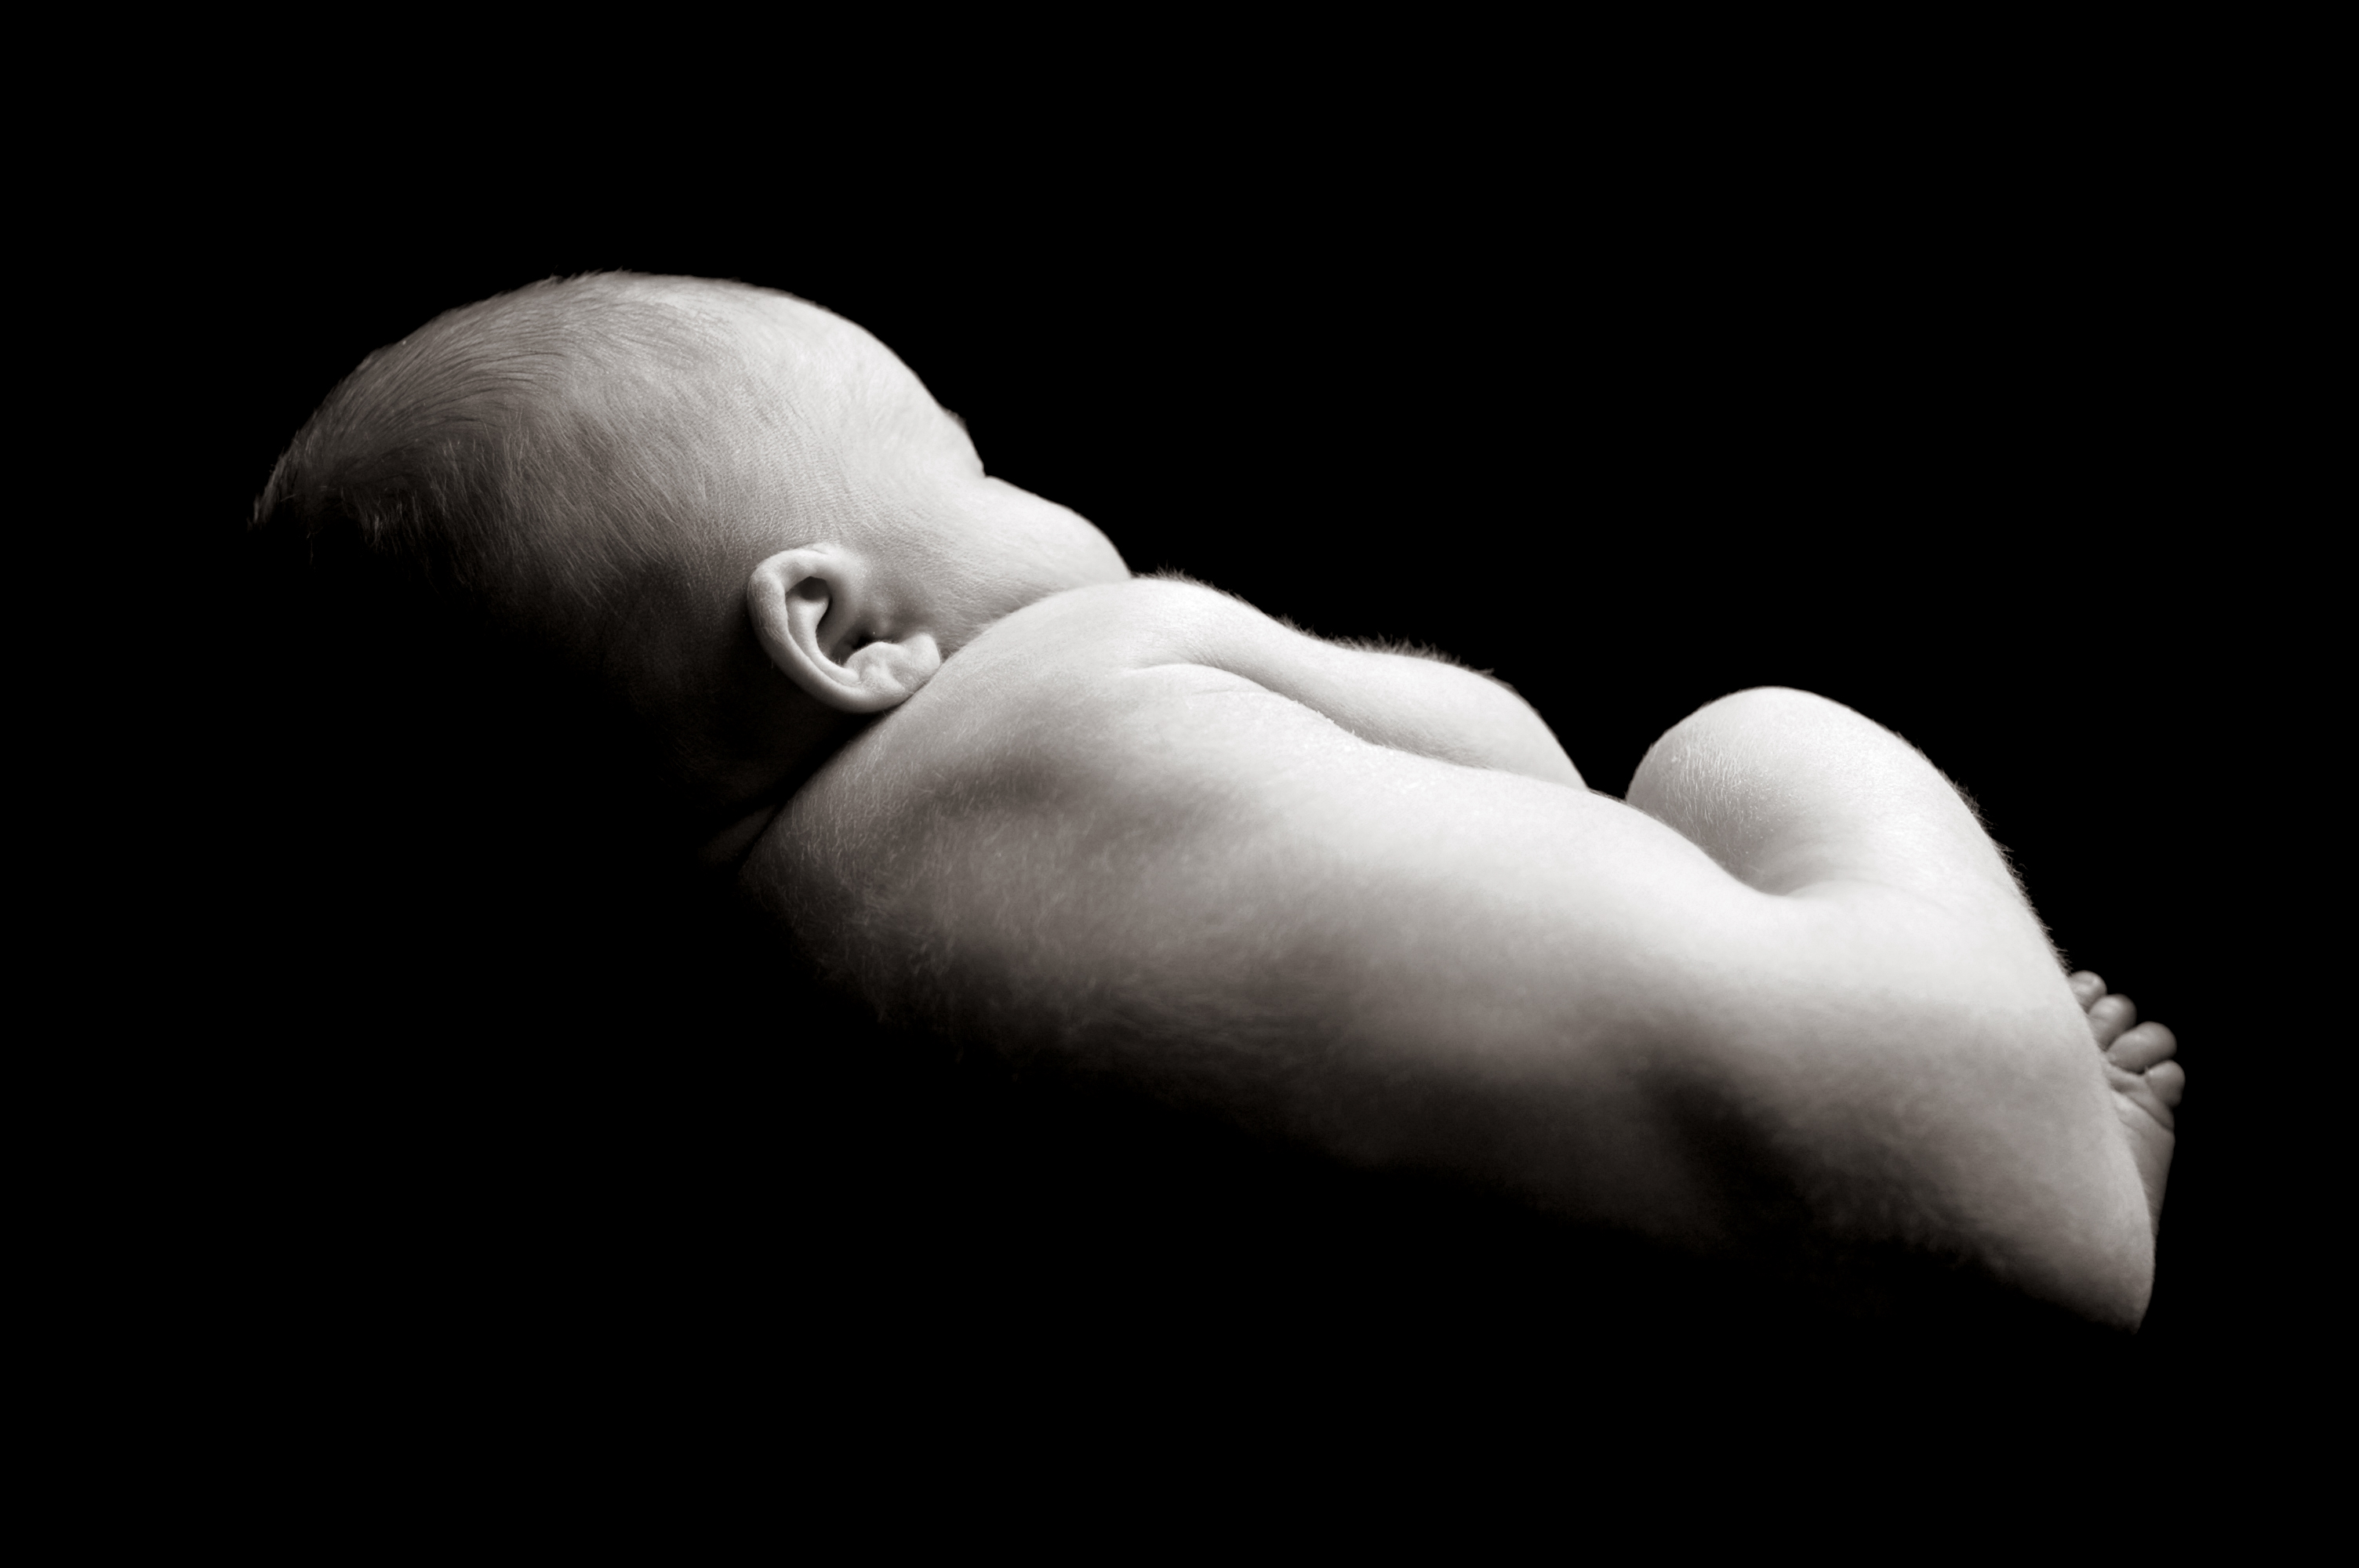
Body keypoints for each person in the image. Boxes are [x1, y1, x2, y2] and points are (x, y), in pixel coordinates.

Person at [253, 271, 2183, 1332]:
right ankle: (2035, 1110)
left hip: (1769, 1263)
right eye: (972, 463)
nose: (1038, 502)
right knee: (1737, 742)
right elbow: (1517, 763)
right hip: (1902, 1118)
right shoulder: (1077, 662)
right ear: (844, 628)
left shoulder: (790, 1004)